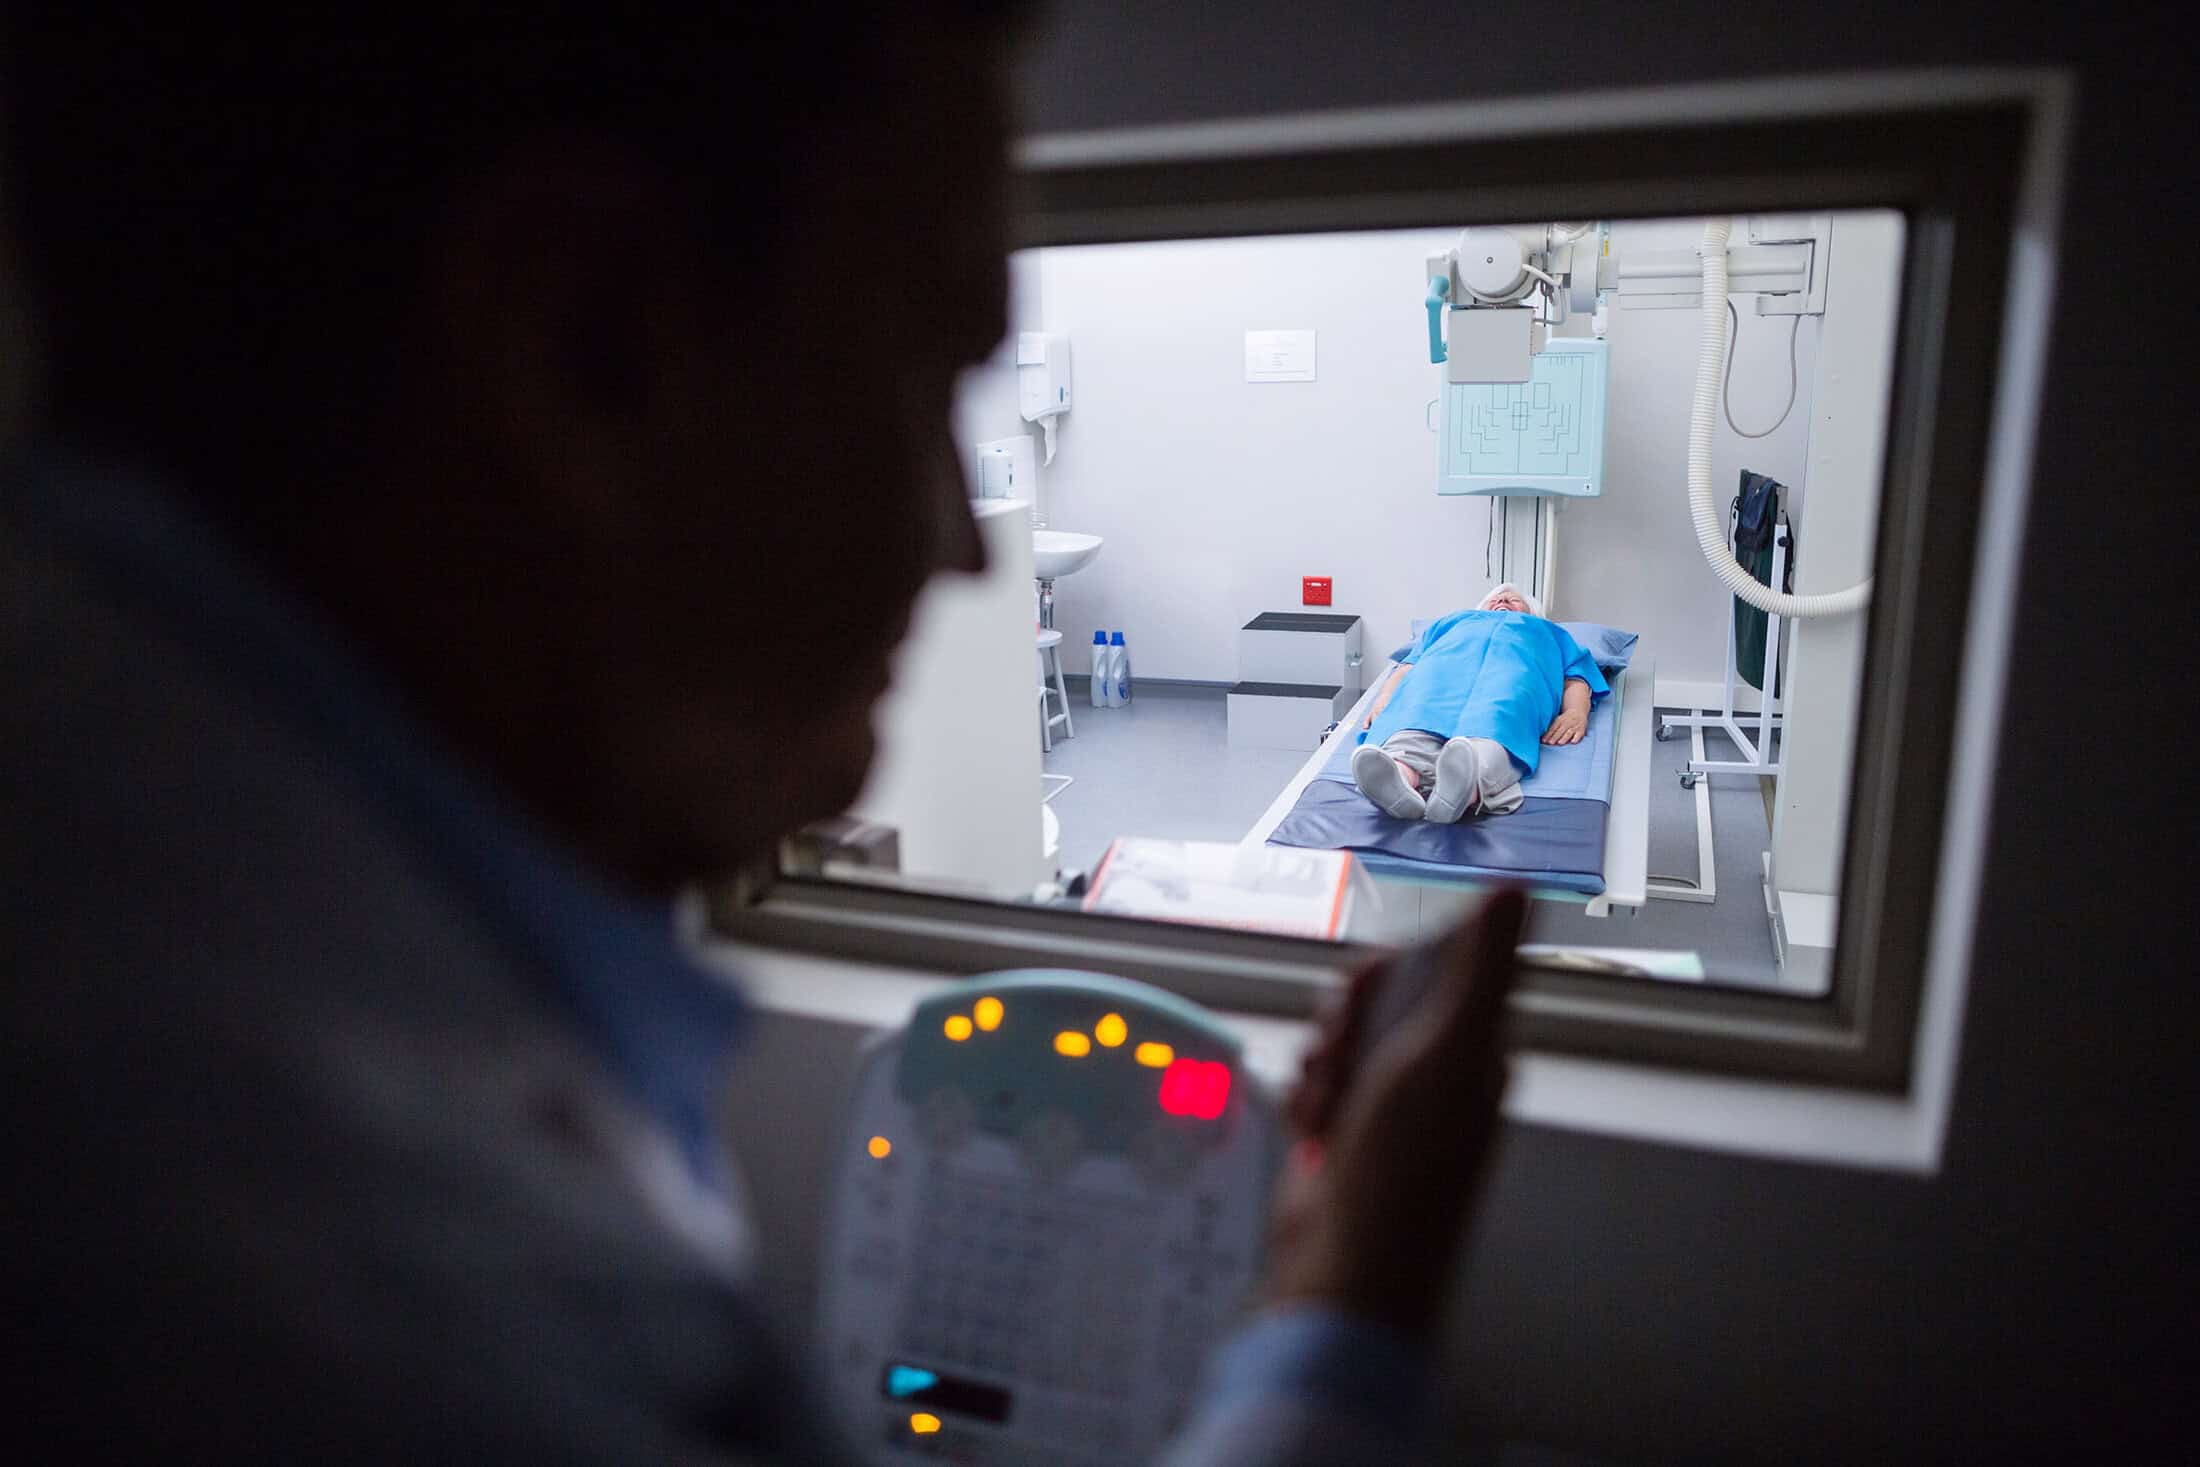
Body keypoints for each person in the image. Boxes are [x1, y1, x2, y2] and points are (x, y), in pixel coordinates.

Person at [1, 9, 1522, 1463]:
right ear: (588, 349)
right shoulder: (340, 1283)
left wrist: (1332, 1293)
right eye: (924, 378)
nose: (962, 546)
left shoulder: (156, 903)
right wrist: (1351, 1335)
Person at [1351, 583, 1609, 823]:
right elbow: (1408, 667)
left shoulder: (1550, 632)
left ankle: (1467, 785)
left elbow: (1576, 679)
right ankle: (1400, 777)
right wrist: (1385, 698)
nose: (1502, 601)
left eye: (1513, 600)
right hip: (1440, 677)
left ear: (1533, 612)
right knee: (1417, 712)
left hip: (1514, 675)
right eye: (1495, 599)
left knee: (1501, 716)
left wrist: (1576, 711)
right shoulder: (1452, 622)